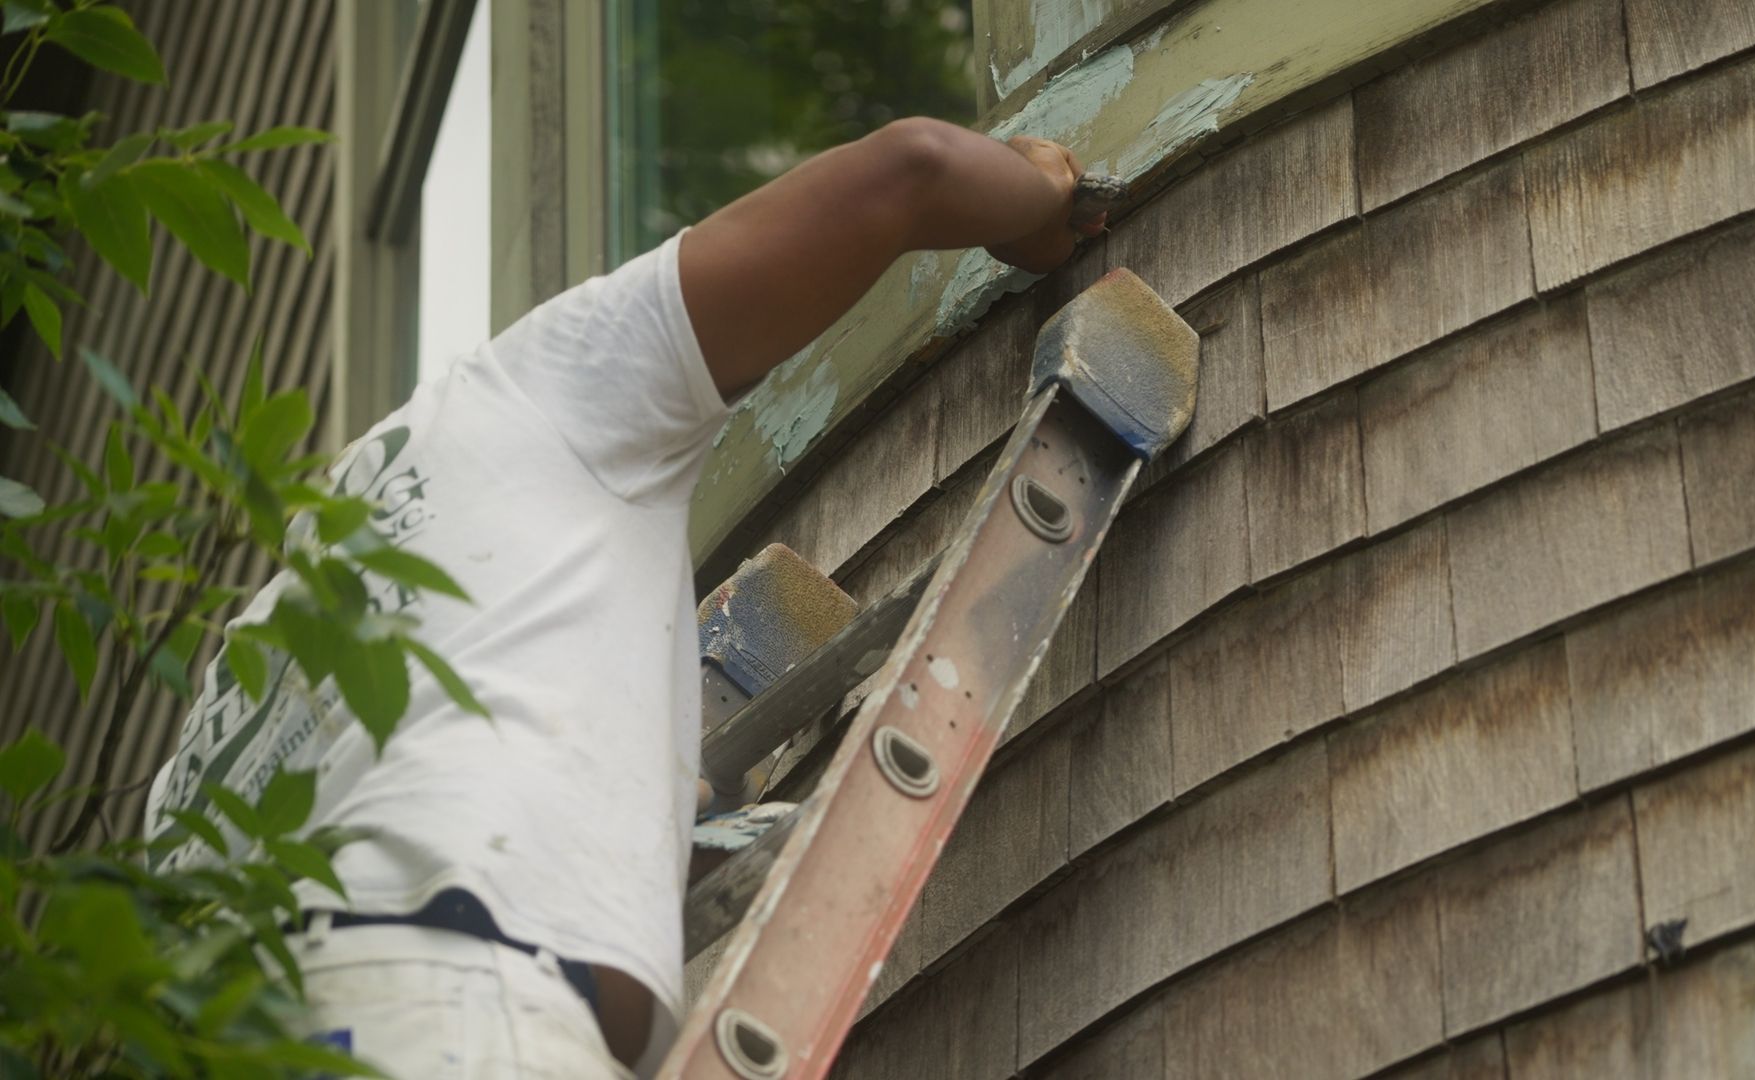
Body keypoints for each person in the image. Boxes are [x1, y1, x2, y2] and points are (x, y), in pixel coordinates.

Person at [142, 119, 1103, 1078]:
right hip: (461, 1016)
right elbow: (913, 171)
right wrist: (1042, 202)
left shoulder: (190, 784)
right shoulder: (519, 396)